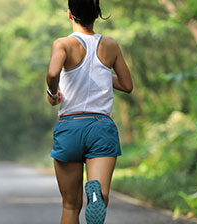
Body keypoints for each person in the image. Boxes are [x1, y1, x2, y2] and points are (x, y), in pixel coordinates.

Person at [45, 0, 133, 223]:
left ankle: (91, 200)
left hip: (71, 127)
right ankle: (97, 196)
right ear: (97, 15)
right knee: (100, 197)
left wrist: (53, 94)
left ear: (69, 15)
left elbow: (53, 73)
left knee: (70, 205)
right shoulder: (110, 45)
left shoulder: (63, 44)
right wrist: (101, 75)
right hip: (101, 127)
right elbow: (126, 85)